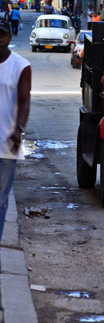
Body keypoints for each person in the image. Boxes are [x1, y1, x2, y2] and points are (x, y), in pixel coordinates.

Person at [0, 18, 31, 240]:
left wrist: (19, 129)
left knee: (1, 199)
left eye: (3, 35)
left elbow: (24, 100)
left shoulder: (21, 66)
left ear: (9, 37)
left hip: (7, 143)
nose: (0, 40)